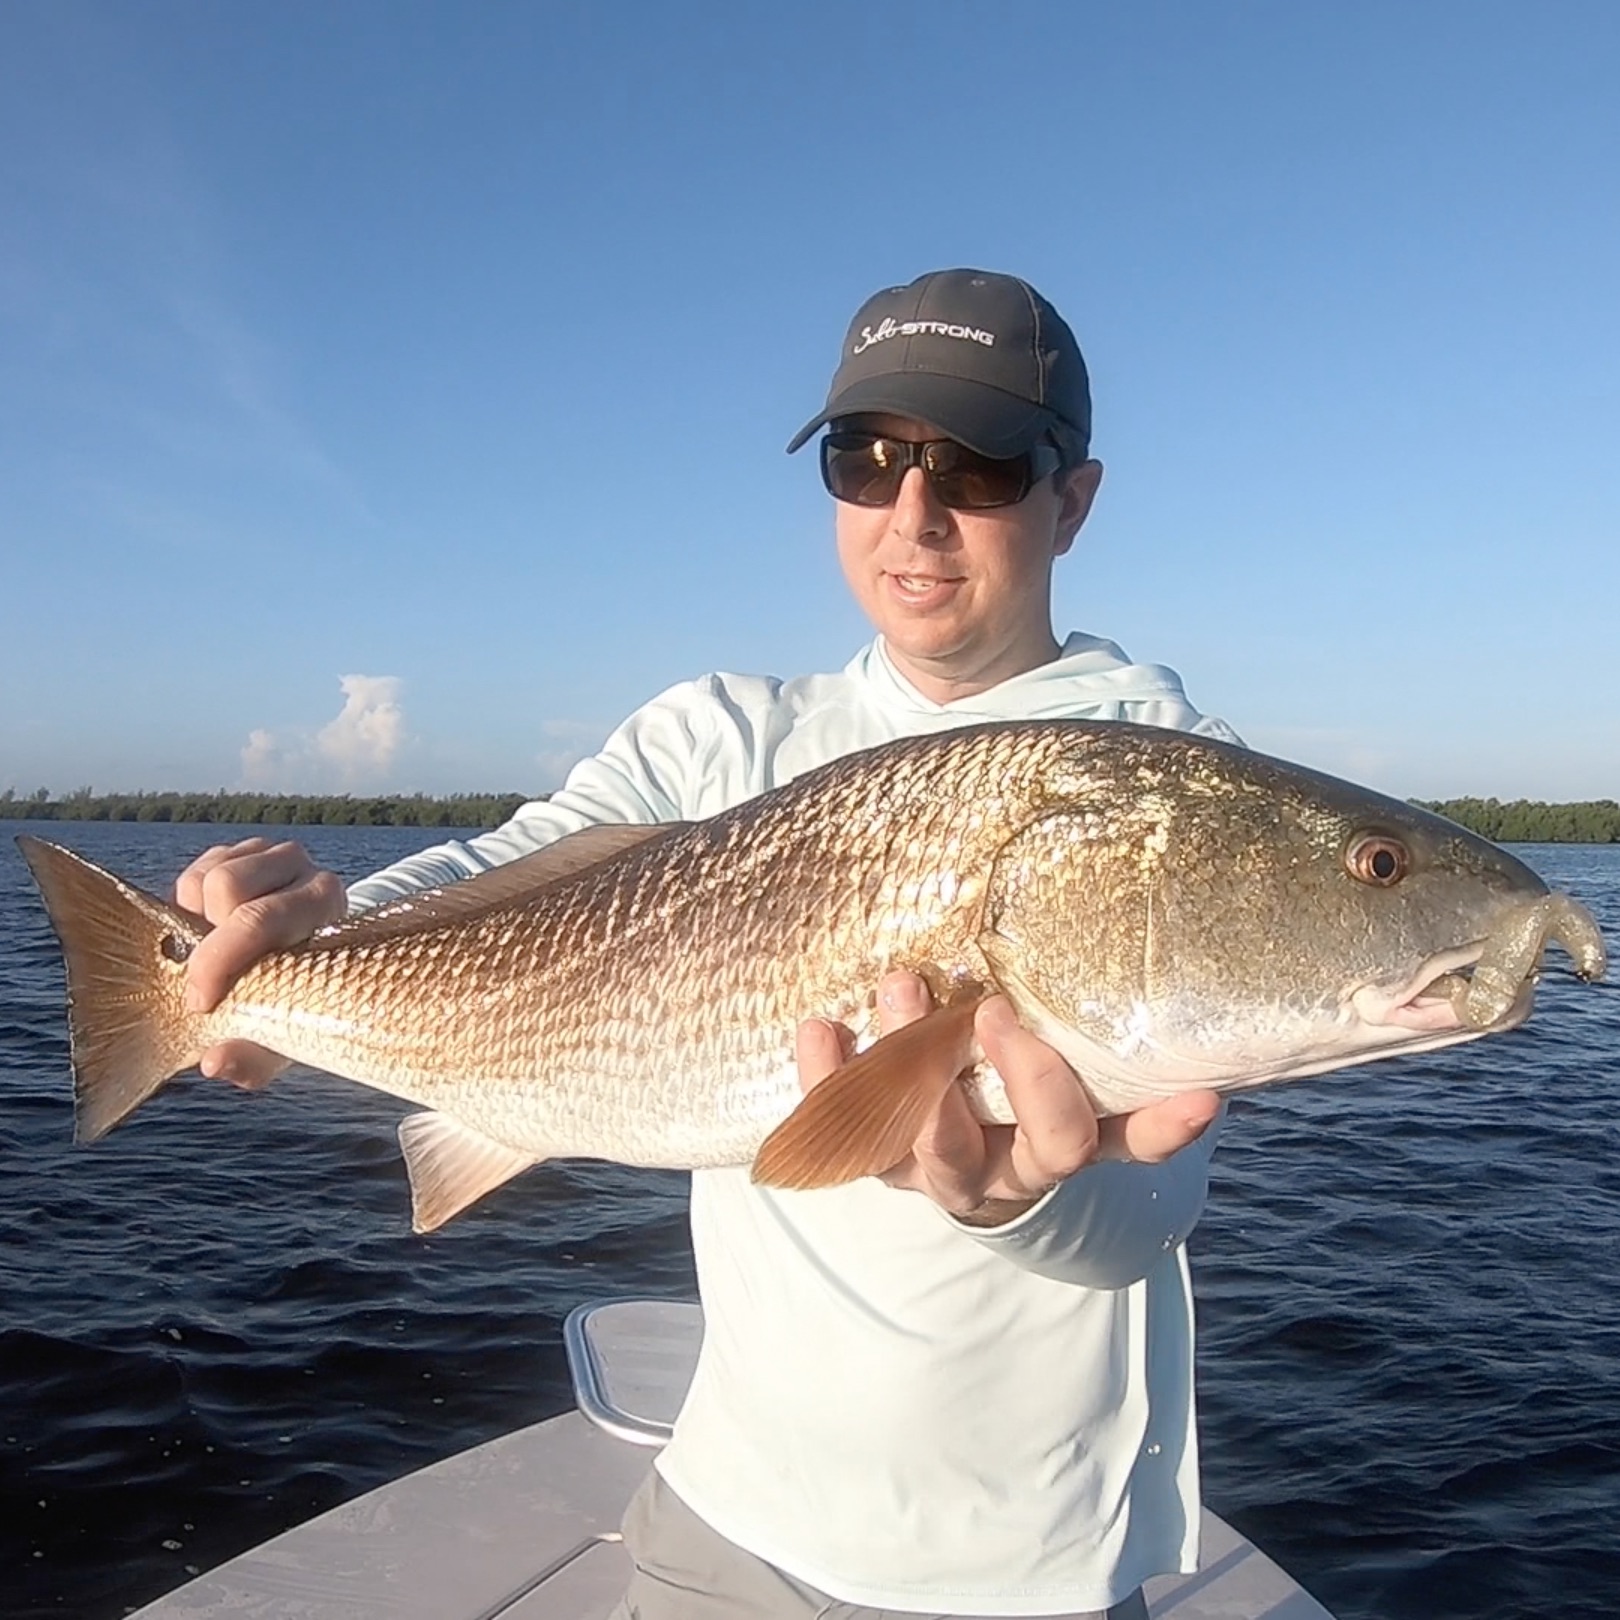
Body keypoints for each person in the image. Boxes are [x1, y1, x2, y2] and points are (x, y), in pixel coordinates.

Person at [175, 269, 1236, 1619]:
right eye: (868, 460)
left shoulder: (1172, 777)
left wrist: (1019, 1193)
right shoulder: (722, 737)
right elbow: (507, 867)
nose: (915, 514)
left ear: (1070, 497)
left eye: (974, 464)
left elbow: (1160, 1194)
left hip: (1023, 1568)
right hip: (725, 1516)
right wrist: (306, 932)